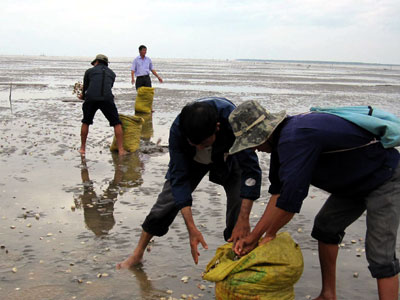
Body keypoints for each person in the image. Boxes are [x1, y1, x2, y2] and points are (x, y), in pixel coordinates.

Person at [229, 100, 400, 300]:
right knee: (325, 228)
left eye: (252, 142)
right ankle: (328, 294)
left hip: (384, 176)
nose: (253, 149)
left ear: (262, 134)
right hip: (354, 182)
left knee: (380, 255)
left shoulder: (295, 138)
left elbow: (291, 200)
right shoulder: (280, 142)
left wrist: (268, 234)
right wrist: (256, 236)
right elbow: (278, 194)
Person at [117, 97, 262, 269]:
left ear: (217, 127)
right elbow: (179, 180)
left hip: (227, 155)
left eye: (204, 143)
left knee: (238, 207)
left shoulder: (234, 121)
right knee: (165, 203)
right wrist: (191, 228)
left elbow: (251, 171)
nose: (200, 147)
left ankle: (235, 255)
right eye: (194, 143)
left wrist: (244, 220)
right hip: (192, 160)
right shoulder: (179, 129)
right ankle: (137, 254)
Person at [78, 54, 126, 156]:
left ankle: (82, 148)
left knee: (86, 121)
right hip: (106, 98)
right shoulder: (112, 74)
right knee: (116, 123)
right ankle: (121, 150)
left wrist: (82, 96)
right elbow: (109, 86)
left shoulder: (89, 71)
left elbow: (85, 88)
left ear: (96, 62)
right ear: (106, 63)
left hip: (91, 98)